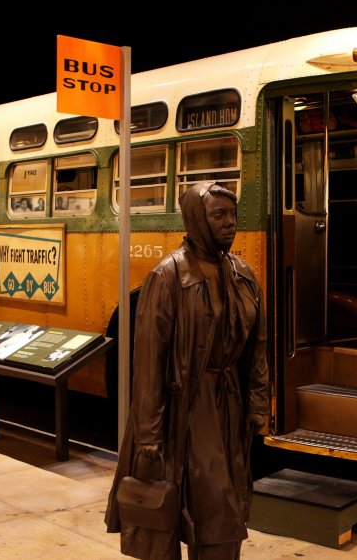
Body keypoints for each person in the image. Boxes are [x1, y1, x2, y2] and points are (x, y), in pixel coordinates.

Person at [105, 182, 269, 560]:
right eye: (218, 215)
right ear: (196, 219)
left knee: (224, 515)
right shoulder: (168, 276)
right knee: (194, 512)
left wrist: (258, 403)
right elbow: (148, 363)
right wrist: (148, 435)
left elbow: (258, 347)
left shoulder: (243, 274)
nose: (230, 223)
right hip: (185, 409)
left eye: (232, 214)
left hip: (228, 406)